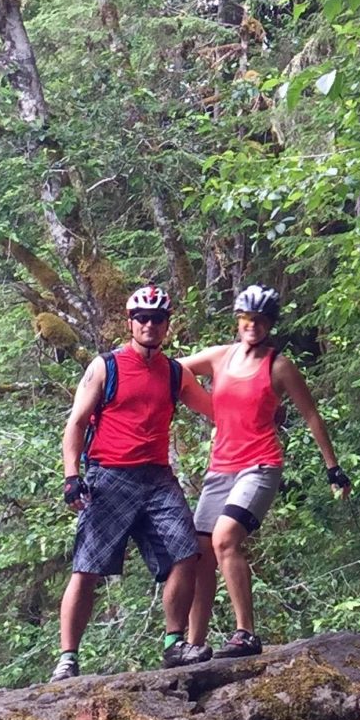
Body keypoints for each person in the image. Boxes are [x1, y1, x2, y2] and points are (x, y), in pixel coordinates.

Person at [51, 282, 219, 679]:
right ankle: (67, 658)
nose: (150, 325)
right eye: (142, 318)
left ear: (167, 325)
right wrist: (72, 476)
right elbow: (75, 422)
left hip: (157, 477)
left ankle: (174, 643)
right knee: (87, 567)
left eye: (157, 318)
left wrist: (262, 411)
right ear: (130, 323)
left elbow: (216, 411)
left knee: (186, 553)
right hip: (109, 476)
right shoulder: (105, 366)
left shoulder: (174, 373)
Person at [180, 284, 350, 660]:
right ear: (238, 321)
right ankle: (193, 644)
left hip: (260, 466)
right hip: (220, 467)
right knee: (200, 553)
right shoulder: (220, 357)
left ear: (270, 324)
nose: (252, 326)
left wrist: (332, 467)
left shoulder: (279, 366)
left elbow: (310, 415)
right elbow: (173, 372)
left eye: (260, 320)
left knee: (225, 539)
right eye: (246, 319)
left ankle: (246, 634)